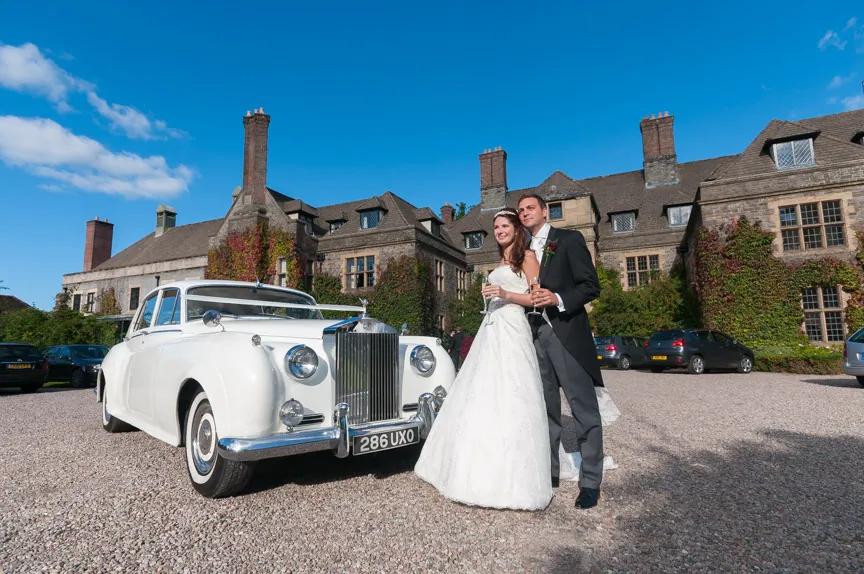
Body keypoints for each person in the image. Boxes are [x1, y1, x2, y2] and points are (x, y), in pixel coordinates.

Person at [414, 208, 553, 511]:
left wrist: (505, 293)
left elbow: (536, 297)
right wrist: (492, 295)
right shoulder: (501, 260)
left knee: (513, 387)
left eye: (504, 226)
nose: (499, 230)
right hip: (491, 327)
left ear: (517, 228)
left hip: (513, 327)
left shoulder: (527, 257)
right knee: (481, 389)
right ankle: (464, 466)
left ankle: (514, 474)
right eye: (496, 227)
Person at [519, 193, 605, 510]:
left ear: (544, 211)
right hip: (535, 337)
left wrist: (557, 298)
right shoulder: (522, 251)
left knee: (583, 411)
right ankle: (550, 474)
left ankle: (590, 482)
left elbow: (590, 285)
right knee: (546, 412)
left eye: (530, 208)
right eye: (521, 210)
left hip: (566, 334)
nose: (525, 213)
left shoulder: (568, 240)